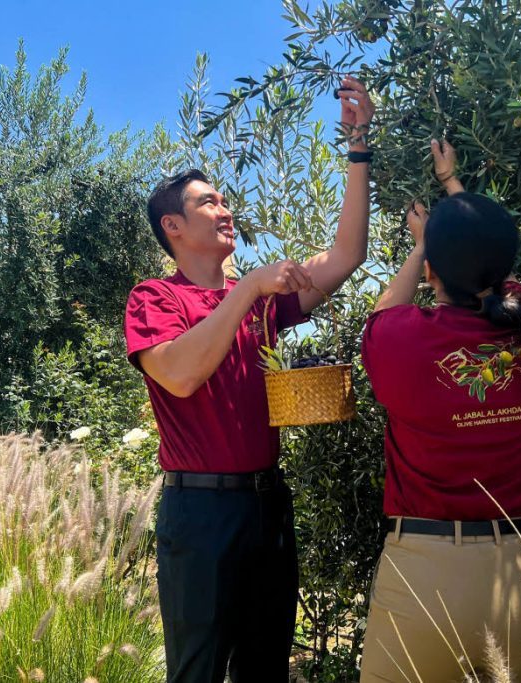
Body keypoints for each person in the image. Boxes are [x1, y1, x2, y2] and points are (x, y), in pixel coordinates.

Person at [124, 77, 375, 683]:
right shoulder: (154, 297)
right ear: (173, 228)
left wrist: (359, 146)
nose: (226, 208)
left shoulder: (260, 298)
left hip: (267, 503)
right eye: (208, 202)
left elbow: (347, 256)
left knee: (266, 670)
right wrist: (245, 288)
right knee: (199, 671)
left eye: (224, 200)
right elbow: (180, 375)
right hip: (200, 511)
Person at [358, 140, 521, 681]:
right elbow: (494, 272)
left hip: (425, 572)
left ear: (431, 272)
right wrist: (455, 190)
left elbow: (382, 313)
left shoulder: (399, 340)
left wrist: (422, 245)